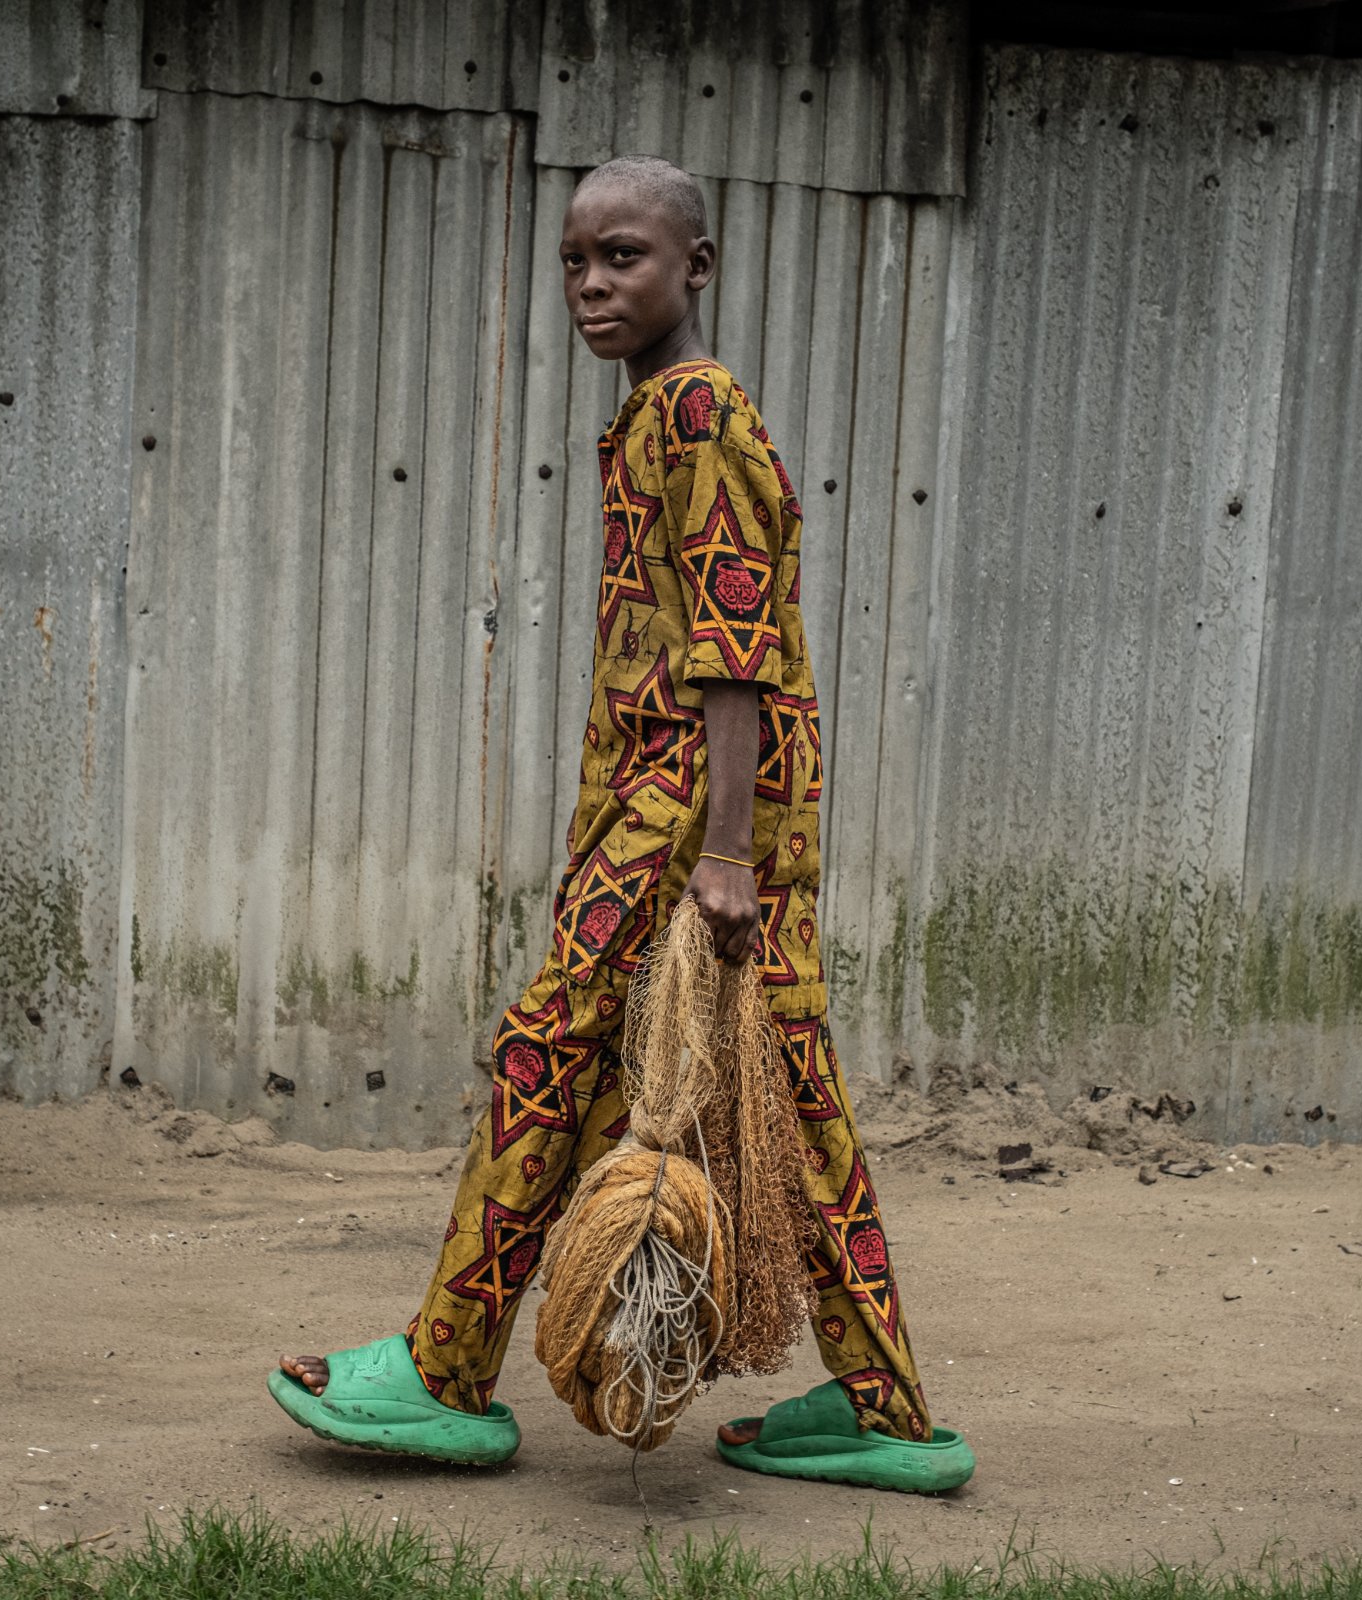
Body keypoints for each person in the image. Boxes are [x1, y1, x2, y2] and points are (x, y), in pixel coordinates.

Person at [269, 155, 971, 1493]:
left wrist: (715, 851)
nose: (593, 283)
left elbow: (731, 648)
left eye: (625, 257)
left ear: (694, 268)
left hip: (685, 826)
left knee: (547, 1055)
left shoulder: (697, 412)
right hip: (683, 819)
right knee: (781, 1104)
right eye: (576, 261)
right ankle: (886, 1411)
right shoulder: (662, 411)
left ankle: (446, 1369)